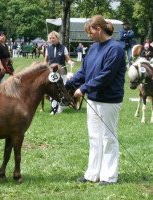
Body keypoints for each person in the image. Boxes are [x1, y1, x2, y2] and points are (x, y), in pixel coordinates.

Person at [65, 15, 126, 185]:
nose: (88, 36)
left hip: (109, 100)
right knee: (94, 137)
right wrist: (69, 84)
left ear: (98, 29)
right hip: (93, 99)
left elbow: (105, 76)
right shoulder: (93, 48)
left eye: (90, 32)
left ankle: (109, 176)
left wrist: (83, 88)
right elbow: (83, 72)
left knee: (108, 138)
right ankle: (92, 174)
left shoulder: (115, 49)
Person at [44, 31, 75, 115]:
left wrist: (70, 62)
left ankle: (60, 107)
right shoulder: (48, 48)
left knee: (62, 90)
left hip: (62, 73)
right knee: (53, 90)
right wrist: (44, 67)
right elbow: (46, 61)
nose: (51, 39)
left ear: (57, 38)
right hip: (52, 73)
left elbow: (67, 59)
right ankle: (53, 108)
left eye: (53, 38)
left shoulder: (63, 48)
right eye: (50, 38)